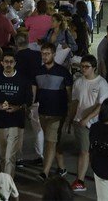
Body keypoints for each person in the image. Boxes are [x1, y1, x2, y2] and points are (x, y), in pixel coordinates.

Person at [68, 54, 108, 193]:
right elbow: (75, 102)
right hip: (80, 123)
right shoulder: (78, 83)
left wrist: (88, 118)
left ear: (94, 68)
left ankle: (98, 176)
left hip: (96, 123)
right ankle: (80, 181)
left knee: (94, 151)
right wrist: (71, 118)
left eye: (87, 67)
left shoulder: (102, 83)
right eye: (82, 66)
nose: (83, 69)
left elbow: (101, 105)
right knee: (84, 151)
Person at [0, 50, 33, 178]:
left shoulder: (23, 80)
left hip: (16, 122)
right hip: (0, 122)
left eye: (11, 62)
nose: (8, 64)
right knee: (3, 156)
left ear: (15, 63)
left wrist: (18, 107)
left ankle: (7, 183)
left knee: (9, 157)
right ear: (2, 63)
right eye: (6, 61)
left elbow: (29, 101)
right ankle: (3, 179)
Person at [35, 41, 73, 180]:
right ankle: (61, 167)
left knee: (50, 141)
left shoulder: (63, 72)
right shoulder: (38, 71)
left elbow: (70, 95)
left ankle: (45, 172)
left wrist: (69, 113)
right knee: (53, 140)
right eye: (43, 54)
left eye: (47, 53)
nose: (45, 56)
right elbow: (35, 91)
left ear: (54, 54)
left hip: (58, 113)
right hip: (43, 112)